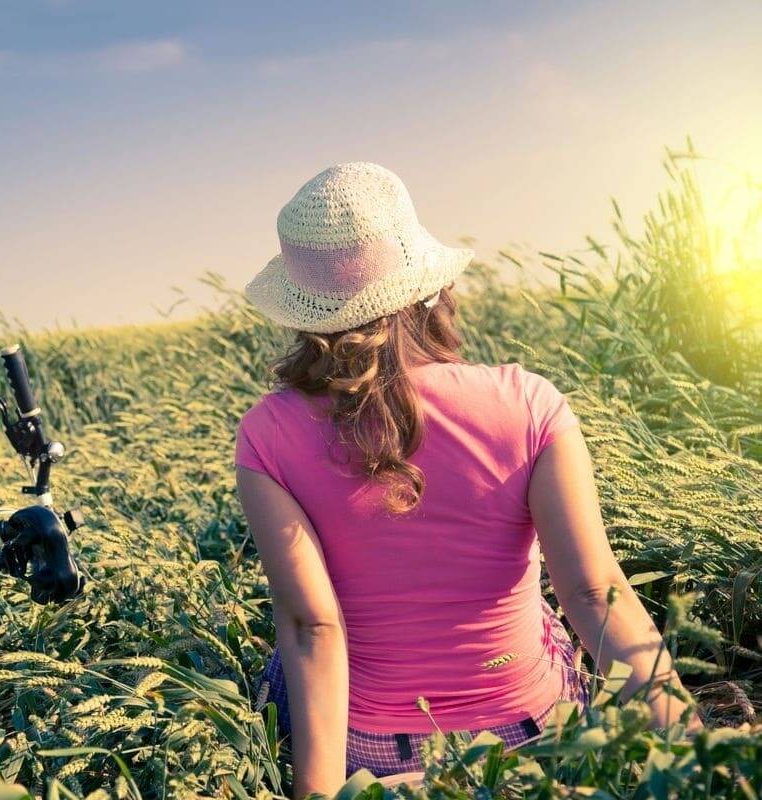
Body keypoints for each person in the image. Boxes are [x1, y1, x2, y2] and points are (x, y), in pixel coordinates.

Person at [234, 162, 701, 794]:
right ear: (430, 290)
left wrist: (320, 793)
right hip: (532, 737)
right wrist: (698, 749)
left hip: (367, 751)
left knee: (274, 664)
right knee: (542, 611)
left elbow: (311, 627)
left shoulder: (267, 434)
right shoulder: (530, 403)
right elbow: (593, 594)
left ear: (304, 314)